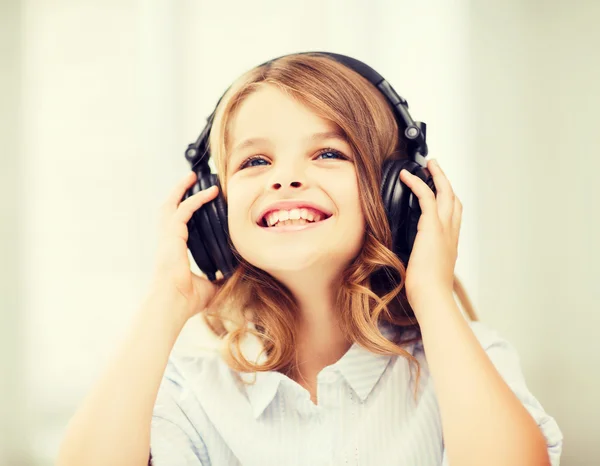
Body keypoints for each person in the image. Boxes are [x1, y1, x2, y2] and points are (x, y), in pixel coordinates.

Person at [57, 52, 563, 466]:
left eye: (328, 154)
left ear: (398, 195)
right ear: (215, 205)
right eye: (255, 161)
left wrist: (430, 290)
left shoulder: (465, 359)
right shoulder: (188, 392)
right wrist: (165, 301)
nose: (286, 178)